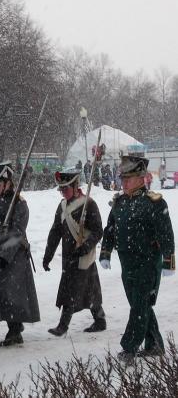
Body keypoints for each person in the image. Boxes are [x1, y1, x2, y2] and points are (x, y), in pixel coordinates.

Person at [100, 155, 175, 364]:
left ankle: (130, 347)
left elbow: (166, 234)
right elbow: (110, 230)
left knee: (139, 305)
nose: (123, 183)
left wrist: (169, 260)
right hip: (127, 263)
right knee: (139, 304)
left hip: (148, 262)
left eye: (128, 179)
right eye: (122, 179)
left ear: (142, 178)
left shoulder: (154, 203)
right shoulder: (120, 202)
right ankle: (155, 344)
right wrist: (105, 253)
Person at [0, 162, 40, 346]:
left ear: (8, 182)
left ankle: (15, 331)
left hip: (14, 256)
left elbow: (17, 233)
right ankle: (14, 324)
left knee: (12, 293)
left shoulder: (20, 204)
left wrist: (4, 257)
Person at [43, 170, 106, 336]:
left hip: (83, 254)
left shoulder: (88, 204)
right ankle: (100, 320)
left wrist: (86, 247)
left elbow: (98, 231)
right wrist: (48, 256)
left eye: (66, 189)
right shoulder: (62, 206)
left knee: (71, 289)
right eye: (61, 190)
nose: (63, 193)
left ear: (75, 186)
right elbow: (55, 232)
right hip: (68, 256)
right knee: (89, 288)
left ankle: (63, 326)